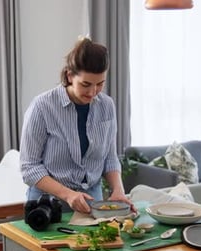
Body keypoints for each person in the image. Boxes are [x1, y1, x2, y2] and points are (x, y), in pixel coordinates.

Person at [19, 37, 135, 214]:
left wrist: (118, 190)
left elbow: (109, 158)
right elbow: (29, 167)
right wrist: (68, 194)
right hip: (48, 204)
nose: (93, 92)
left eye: (100, 84)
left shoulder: (107, 105)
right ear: (69, 76)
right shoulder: (42, 107)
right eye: (86, 84)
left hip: (92, 203)